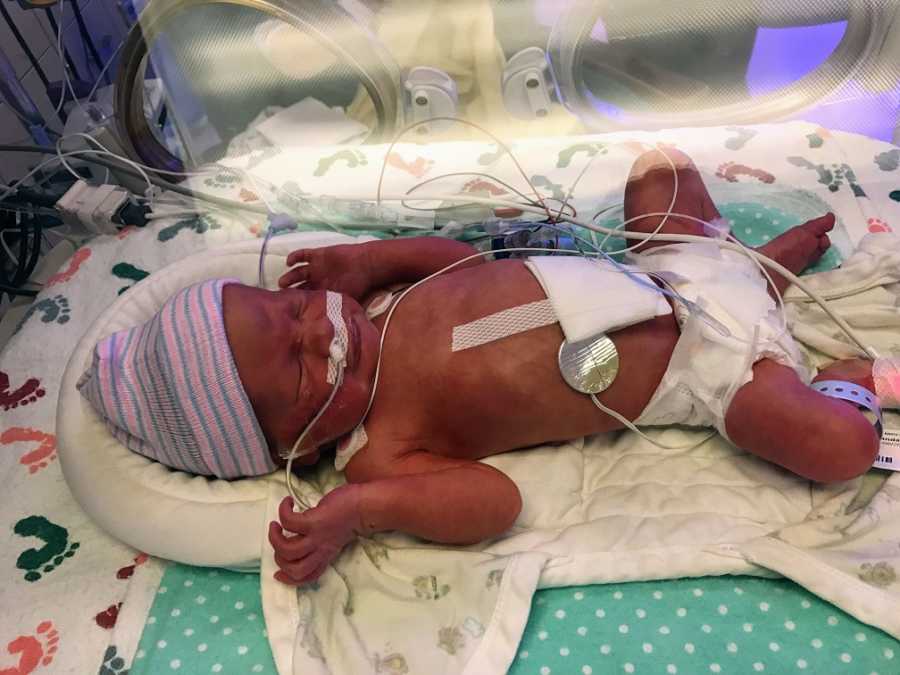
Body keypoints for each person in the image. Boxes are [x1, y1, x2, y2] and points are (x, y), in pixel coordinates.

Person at [80, 149, 885, 587]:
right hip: (706, 367)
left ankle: (754, 270)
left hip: (672, 272)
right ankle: (837, 367)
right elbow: (493, 502)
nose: (319, 330)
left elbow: (461, 262)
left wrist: (371, 260)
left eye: (291, 311)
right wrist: (366, 510)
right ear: (284, 447)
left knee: (657, 169)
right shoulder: (377, 452)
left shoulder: (385, 303)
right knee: (834, 449)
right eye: (295, 371)